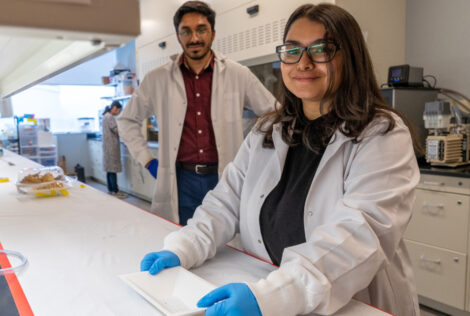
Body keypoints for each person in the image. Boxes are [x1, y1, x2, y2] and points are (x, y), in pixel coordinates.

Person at [139, 3, 421, 316]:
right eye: (292, 50)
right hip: (272, 285)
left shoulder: (381, 134)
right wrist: (183, 247)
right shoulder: (268, 130)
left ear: (350, 56)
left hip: (351, 303)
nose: (304, 62)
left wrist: (274, 297)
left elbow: (358, 235)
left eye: (321, 49)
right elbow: (224, 202)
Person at [117, 1, 277, 225]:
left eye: (201, 29)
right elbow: (126, 121)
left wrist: (258, 158)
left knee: (228, 246)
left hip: (225, 177)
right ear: (178, 36)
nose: (194, 38)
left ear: (212, 33)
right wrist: (147, 160)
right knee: (182, 243)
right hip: (181, 181)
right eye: (186, 31)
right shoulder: (157, 79)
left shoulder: (238, 74)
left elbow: (274, 114)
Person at [102, 101, 128, 199]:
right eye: (118, 111)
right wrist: (126, 137)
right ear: (114, 108)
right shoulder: (109, 117)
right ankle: (116, 191)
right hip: (111, 147)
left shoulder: (105, 116)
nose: (118, 113)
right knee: (113, 169)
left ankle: (111, 190)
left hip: (108, 146)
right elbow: (117, 130)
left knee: (109, 169)